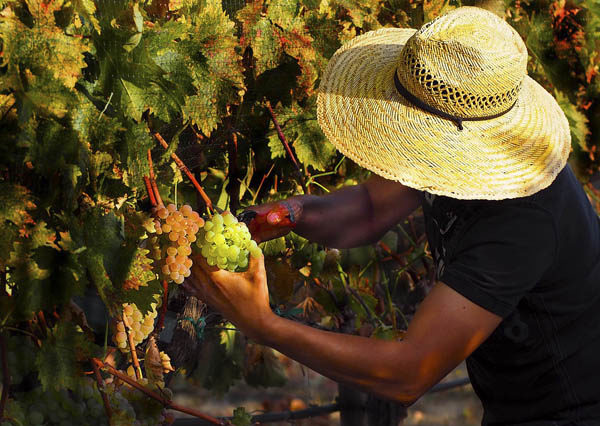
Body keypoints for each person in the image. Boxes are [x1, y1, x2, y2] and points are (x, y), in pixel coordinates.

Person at [185, 7, 600, 425]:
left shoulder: (522, 220)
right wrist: (292, 214)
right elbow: (369, 208)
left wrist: (262, 324)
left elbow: (409, 371)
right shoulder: (450, 152)